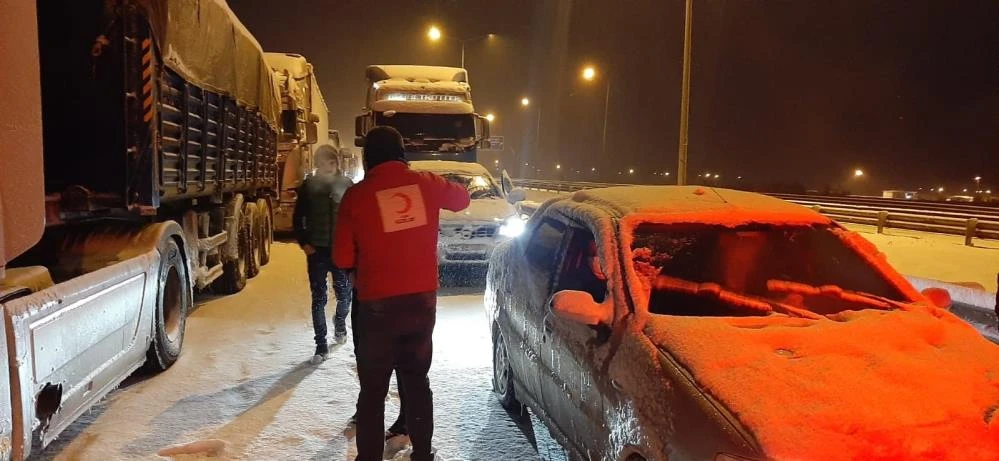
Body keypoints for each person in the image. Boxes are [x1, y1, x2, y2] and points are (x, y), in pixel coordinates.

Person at [334, 126, 470, 461]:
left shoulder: (357, 195)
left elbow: (341, 257)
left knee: (373, 392)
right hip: (421, 306)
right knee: (416, 380)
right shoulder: (427, 183)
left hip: (377, 309)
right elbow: (463, 198)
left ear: (368, 158)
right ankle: (422, 454)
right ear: (401, 154)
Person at [293, 144, 354, 364]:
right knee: (318, 298)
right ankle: (320, 345)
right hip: (317, 251)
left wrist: (353, 244)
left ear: (336, 163)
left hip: (341, 251)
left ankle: (339, 324)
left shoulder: (347, 185)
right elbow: (298, 217)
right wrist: (304, 243)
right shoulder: (309, 186)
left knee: (345, 294)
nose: (326, 167)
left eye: (330, 162)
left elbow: (354, 218)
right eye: (321, 163)